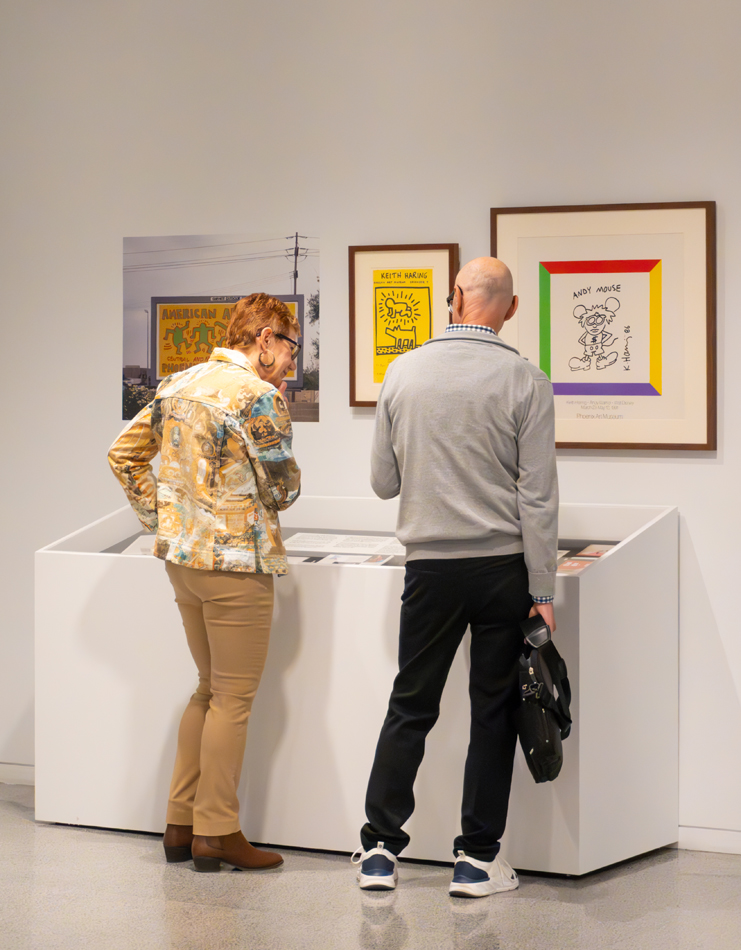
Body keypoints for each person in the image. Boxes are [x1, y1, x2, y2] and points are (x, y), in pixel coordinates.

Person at [351, 258, 558, 898]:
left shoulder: (402, 372)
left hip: (430, 568)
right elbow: (539, 499)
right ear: (512, 310)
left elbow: (383, 483)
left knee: (411, 702)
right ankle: (475, 861)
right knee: (491, 709)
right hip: (501, 570)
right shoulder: (526, 379)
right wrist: (543, 591)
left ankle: (380, 850)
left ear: (453, 300)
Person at [108, 293, 301, 872]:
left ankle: (179, 822)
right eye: (290, 347)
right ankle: (217, 831)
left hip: (183, 562)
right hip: (236, 565)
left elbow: (124, 455)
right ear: (264, 339)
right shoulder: (257, 396)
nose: (293, 361)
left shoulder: (178, 382)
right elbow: (285, 489)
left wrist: (165, 519)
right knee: (234, 700)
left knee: (208, 688)